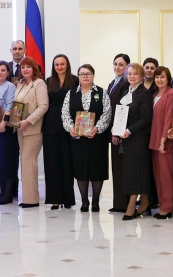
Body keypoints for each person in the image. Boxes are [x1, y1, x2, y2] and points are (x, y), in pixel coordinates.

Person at [62, 63, 112, 212]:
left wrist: (97, 128)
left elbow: (107, 113)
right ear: (78, 77)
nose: (85, 76)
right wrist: (70, 128)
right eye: (82, 74)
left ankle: (95, 201)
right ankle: (84, 201)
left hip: (97, 138)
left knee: (97, 168)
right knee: (80, 169)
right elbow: (65, 114)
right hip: (77, 139)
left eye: (88, 74)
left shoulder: (101, 93)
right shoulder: (71, 93)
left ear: (93, 75)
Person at [116, 63, 154, 220]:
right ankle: (144, 203)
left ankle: (132, 206)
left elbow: (146, 118)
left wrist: (129, 130)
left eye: (135, 73)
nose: (131, 76)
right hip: (126, 139)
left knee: (136, 172)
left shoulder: (144, 93)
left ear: (142, 76)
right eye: (129, 73)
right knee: (134, 171)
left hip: (138, 138)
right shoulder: (126, 91)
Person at [13, 57, 49, 208]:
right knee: (25, 162)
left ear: (34, 68)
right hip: (20, 128)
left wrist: (28, 121)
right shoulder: (20, 84)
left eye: (28, 67)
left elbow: (43, 106)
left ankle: (32, 199)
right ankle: (27, 196)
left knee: (29, 162)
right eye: (23, 67)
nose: (25, 70)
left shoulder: (39, 84)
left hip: (33, 128)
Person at [43, 54, 77, 210]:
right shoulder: (48, 81)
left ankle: (68, 199)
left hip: (69, 125)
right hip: (51, 125)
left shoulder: (75, 80)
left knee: (67, 163)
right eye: (56, 64)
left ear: (67, 65)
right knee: (52, 163)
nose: (59, 67)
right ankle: (55, 198)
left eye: (62, 64)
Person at [148, 66, 173, 218]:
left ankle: (167, 207)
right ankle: (162, 205)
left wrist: (162, 141)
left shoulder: (171, 94)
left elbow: (168, 118)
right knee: (157, 175)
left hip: (164, 141)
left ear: (168, 79)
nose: (159, 80)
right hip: (154, 140)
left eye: (162, 77)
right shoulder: (155, 94)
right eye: (157, 77)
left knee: (166, 175)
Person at [0, 61, 19, 205]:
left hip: (5, 130)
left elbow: (10, 105)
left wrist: (3, 123)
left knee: (8, 161)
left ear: (8, 73)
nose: (0, 72)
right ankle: (1, 193)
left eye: (3, 70)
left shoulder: (10, 86)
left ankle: (8, 194)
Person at [106, 53, 131, 213]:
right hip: (113, 130)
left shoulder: (126, 83)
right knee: (116, 167)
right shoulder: (113, 83)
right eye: (115, 64)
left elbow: (122, 110)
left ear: (127, 66)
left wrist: (117, 132)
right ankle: (119, 203)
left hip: (121, 132)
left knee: (123, 168)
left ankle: (124, 204)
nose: (117, 67)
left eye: (121, 65)